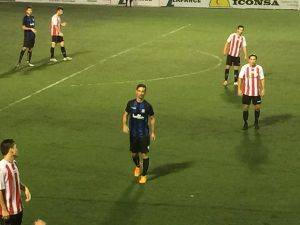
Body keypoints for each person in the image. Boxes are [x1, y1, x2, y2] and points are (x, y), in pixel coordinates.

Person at [122, 84, 155, 184]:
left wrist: (152, 132)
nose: (141, 93)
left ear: (144, 93)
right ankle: (137, 166)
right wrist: (124, 125)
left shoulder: (148, 106)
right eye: (139, 91)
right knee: (133, 153)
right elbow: (125, 114)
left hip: (144, 134)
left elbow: (152, 118)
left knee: (144, 154)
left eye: (143, 91)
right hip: (133, 134)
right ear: (136, 91)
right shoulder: (130, 103)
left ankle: (144, 175)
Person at [0, 139, 31, 225]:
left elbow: (15, 181)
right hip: (8, 212)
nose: (17, 149)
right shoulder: (1, 168)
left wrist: (25, 188)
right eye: (15, 147)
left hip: (18, 209)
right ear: (11, 150)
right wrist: (4, 210)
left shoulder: (14, 163)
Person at [238, 54, 265, 130]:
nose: (253, 61)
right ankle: (245, 123)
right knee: (245, 108)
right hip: (246, 92)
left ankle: (256, 121)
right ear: (249, 60)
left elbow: (262, 79)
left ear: (256, 60)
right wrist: (239, 89)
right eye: (251, 59)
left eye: (254, 59)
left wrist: (263, 89)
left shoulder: (259, 68)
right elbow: (240, 78)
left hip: (256, 93)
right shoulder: (245, 67)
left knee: (257, 107)